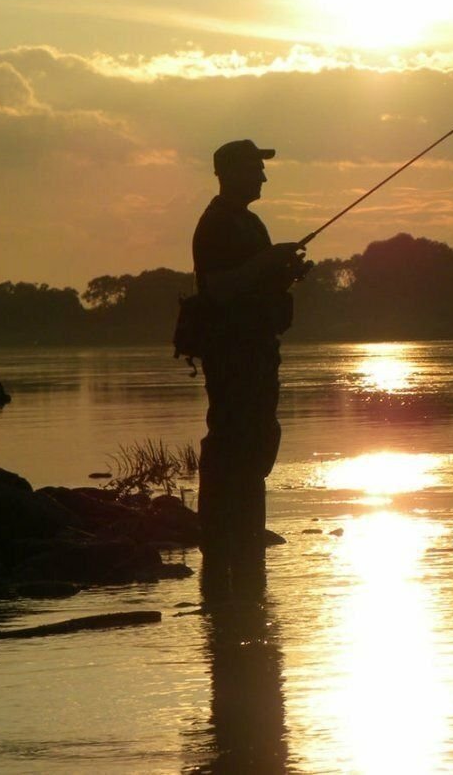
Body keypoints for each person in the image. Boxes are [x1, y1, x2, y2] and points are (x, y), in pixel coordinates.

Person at [192, 139, 308, 577]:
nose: (263, 176)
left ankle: (242, 543)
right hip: (233, 354)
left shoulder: (249, 223)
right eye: (256, 168)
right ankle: (226, 538)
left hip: (258, 351)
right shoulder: (216, 224)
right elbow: (219, 288)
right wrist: (268, 263)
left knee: (257, 439)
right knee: (232, 441)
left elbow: (254, 282)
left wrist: (284, 272)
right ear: (230, 172)